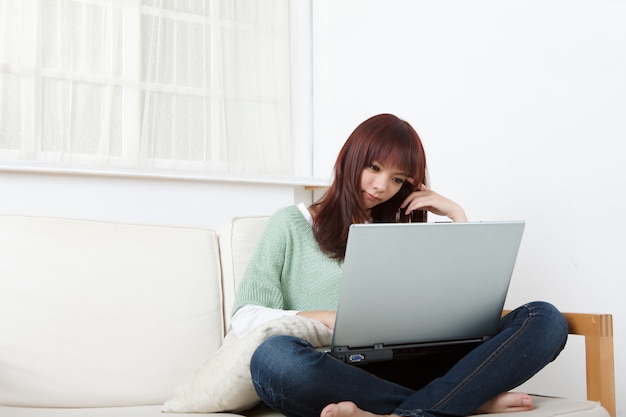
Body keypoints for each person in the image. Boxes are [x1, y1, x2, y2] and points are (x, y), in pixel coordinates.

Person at [230, 113, 568, 417]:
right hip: (342, 371)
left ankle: (413, 408)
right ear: (350, 159)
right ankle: (458, 401)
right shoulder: (290, 224)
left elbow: (461, 313)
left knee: (546, 318)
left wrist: (458, 217)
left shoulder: (403, 235)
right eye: (374, 168)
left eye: (397, 179)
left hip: (418, 361)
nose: (381, 187)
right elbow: (246, 318)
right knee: (274, 359)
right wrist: (323, 318)